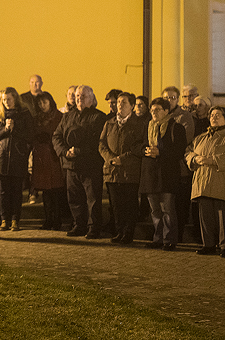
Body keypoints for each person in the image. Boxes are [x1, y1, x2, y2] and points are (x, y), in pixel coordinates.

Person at [53, 85, 108, 238]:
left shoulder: (99, 117)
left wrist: (79, 151)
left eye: (83, 96)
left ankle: (94, 227)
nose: (79, 99)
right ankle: (79, 225)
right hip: (71, 165)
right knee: (74, 198)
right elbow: (56, 136)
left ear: (92, 98)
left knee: (93, 199)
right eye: (77, 96)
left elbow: (97, 141)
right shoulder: (68, 116)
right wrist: (64, 151)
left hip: (90, 165)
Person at [99, 92, 147, 243]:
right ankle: (119, 231)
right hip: (112, 171)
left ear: (132, 106)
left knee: (129, 204)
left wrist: (123, 159)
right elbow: (101, 144)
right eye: (118, 102)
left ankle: (128, 233)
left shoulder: (139, 124)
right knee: (116, 205)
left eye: (124, 102)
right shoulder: (109, 123)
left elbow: (140, 146)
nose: (120, 105)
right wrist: (110, 159)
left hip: (129, 171)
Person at [140, 98, 187, 250]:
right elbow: (137, 145)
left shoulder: (176, 127)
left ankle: (169, 239)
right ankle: (158, 238)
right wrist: (146, 150)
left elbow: (179, 150)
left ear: (166, 111)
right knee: (155, 210)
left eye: (157, 110)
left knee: (168, 209)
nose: (154, 113)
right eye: (152, 110)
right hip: (150, 174)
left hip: (168, 174)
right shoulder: (147, 126)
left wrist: (160, 152)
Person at [0, 87, 34, 231]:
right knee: (2, 191)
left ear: (15, 99)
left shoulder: (24, 114)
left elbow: (31, 134)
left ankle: (15, 220)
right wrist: (4, 130)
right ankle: (4, 219)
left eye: (9, 99)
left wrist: (15, 129)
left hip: (18, 157)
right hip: (1, 158)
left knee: (16, 191)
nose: (6, 102)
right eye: (4, 100)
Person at [185, 106, 225, 255]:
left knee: (222, 217)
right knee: (205, 216)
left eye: (218, 115)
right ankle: (208, 244)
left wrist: (212, 160)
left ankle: (223, 246)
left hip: (220, 182)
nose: (214, 117)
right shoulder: (201, 138)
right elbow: (188, 152)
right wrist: (195, 159)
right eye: (212, 115)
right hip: (202, 182)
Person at [162, 86, 196, 243]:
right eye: (166, 97)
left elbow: (185, 139)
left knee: (180, 204)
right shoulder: (159, 114)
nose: (169, 100)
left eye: (172, 97)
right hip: (163, 167)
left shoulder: (184, 116)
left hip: (180, 166)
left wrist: (164, 149)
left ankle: (179, 235)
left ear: (177, 99)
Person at [31, 92, 67, 230]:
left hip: (54, 156)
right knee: (45, 191)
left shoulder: (59, 116)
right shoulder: (37, 118)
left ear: (50, 102)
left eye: (44, 102)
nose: (42, 105)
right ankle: (48, 219)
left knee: (56, 190)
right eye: (39, 103)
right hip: (41, 156)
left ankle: (57, 219)